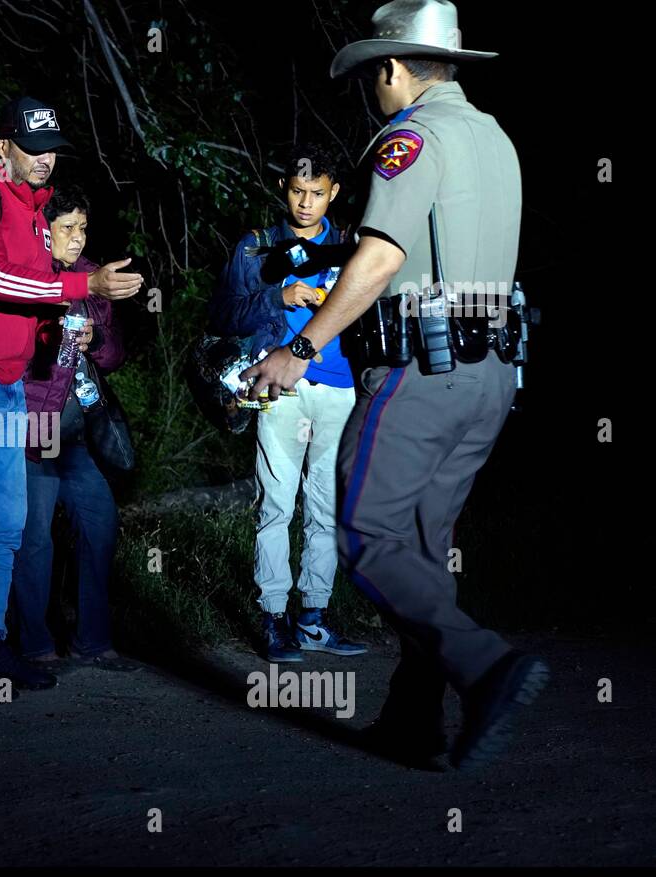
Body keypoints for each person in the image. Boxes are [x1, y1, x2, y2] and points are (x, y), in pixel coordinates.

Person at [240, 0, 547, 769]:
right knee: (421, 543)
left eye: (374, 75)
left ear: (391, 67)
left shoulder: (411, 137)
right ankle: (414, 719)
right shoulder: (496, 138)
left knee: (368, 534)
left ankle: (487, 666)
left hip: (422, 373)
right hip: (491, 378)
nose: (373, 88)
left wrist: (300, 349)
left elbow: (380, 258)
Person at [0, 96, 143, 702]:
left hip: (9, 382)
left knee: (8, 520)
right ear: (3, 148)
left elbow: (36, 303)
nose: (45, 160)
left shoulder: (41, 211)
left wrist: (73, 322)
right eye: (32, 147)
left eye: (52, 150)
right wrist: (84, 285)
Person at [210, 144, 368, 664]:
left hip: (339, 386)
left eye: (317, 193)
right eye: (298, 191)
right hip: (278, 386)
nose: (306, 203)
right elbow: (226, 317)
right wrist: (280, 295)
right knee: (276, 505)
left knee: (325, 508)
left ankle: (314, 619)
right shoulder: (255, 247)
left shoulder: (353, 247)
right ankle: (273, 615)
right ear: (284, 189)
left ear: (334, 193)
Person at [11, 185, 139, 673]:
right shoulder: (28, 276)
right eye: (67, 228)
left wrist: (96, 339)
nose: (77, 238)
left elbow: (116, 355)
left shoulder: (94, 278)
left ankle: (93, 642)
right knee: (35, 536)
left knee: (100, 523)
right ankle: (35, 645)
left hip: (79, 428)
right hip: (36, 425)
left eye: (83, 227)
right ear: (44, 231)